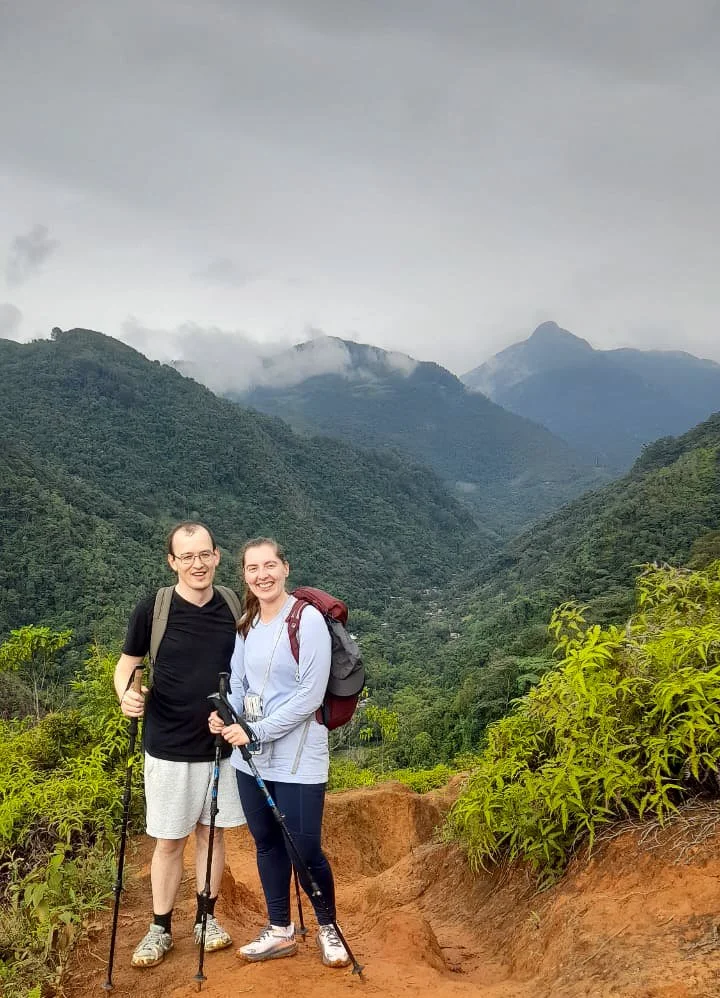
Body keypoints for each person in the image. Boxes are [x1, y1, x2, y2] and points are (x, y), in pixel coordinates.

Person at [209, 537, 350, 968]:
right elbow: (237, 683)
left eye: (270, 565)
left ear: (286, 568)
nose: (262, 575)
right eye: (253, 568)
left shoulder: (304, 620)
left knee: (304, 847)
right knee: (267, 843)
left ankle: (328, 927)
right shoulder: (246, 623)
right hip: (249, 757)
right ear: (245, 575)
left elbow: (309, 695)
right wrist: (226, 717)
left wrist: (255, 730)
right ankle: (280, 928)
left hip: (298, 756)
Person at [114, 521, 246, 969]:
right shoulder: (154, 608)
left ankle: (206, 919)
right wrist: (126, 695)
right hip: (167, 743)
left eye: (204, 554)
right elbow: (127, 664)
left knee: (213, 834)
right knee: (169, 841)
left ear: (217, 556)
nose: (197, 564)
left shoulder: (233, 605)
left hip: (221, 746)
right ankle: (160, 927)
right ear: (172, 562)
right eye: (186, 556)